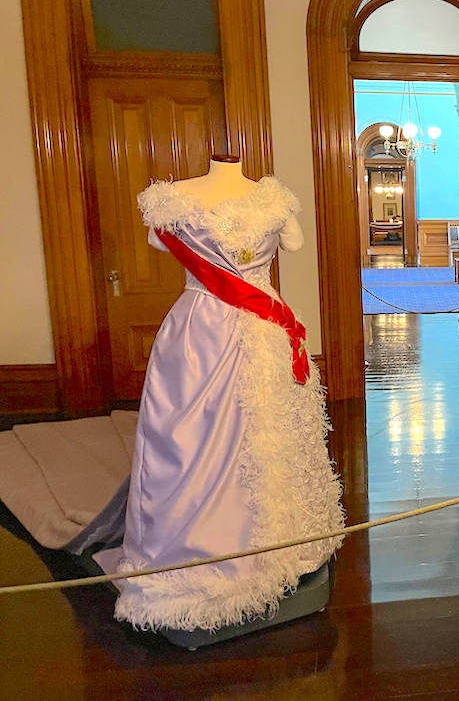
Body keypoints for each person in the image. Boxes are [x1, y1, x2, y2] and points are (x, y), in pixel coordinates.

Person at [93, 161, 345, 631]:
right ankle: (207, 548)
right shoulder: (173, 202)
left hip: (223, 333)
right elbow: (292, 245)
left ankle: (277, 543)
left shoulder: (269, 199)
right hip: (218, 338)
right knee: (196, 437)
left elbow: (295, 242)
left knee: (261, 440)